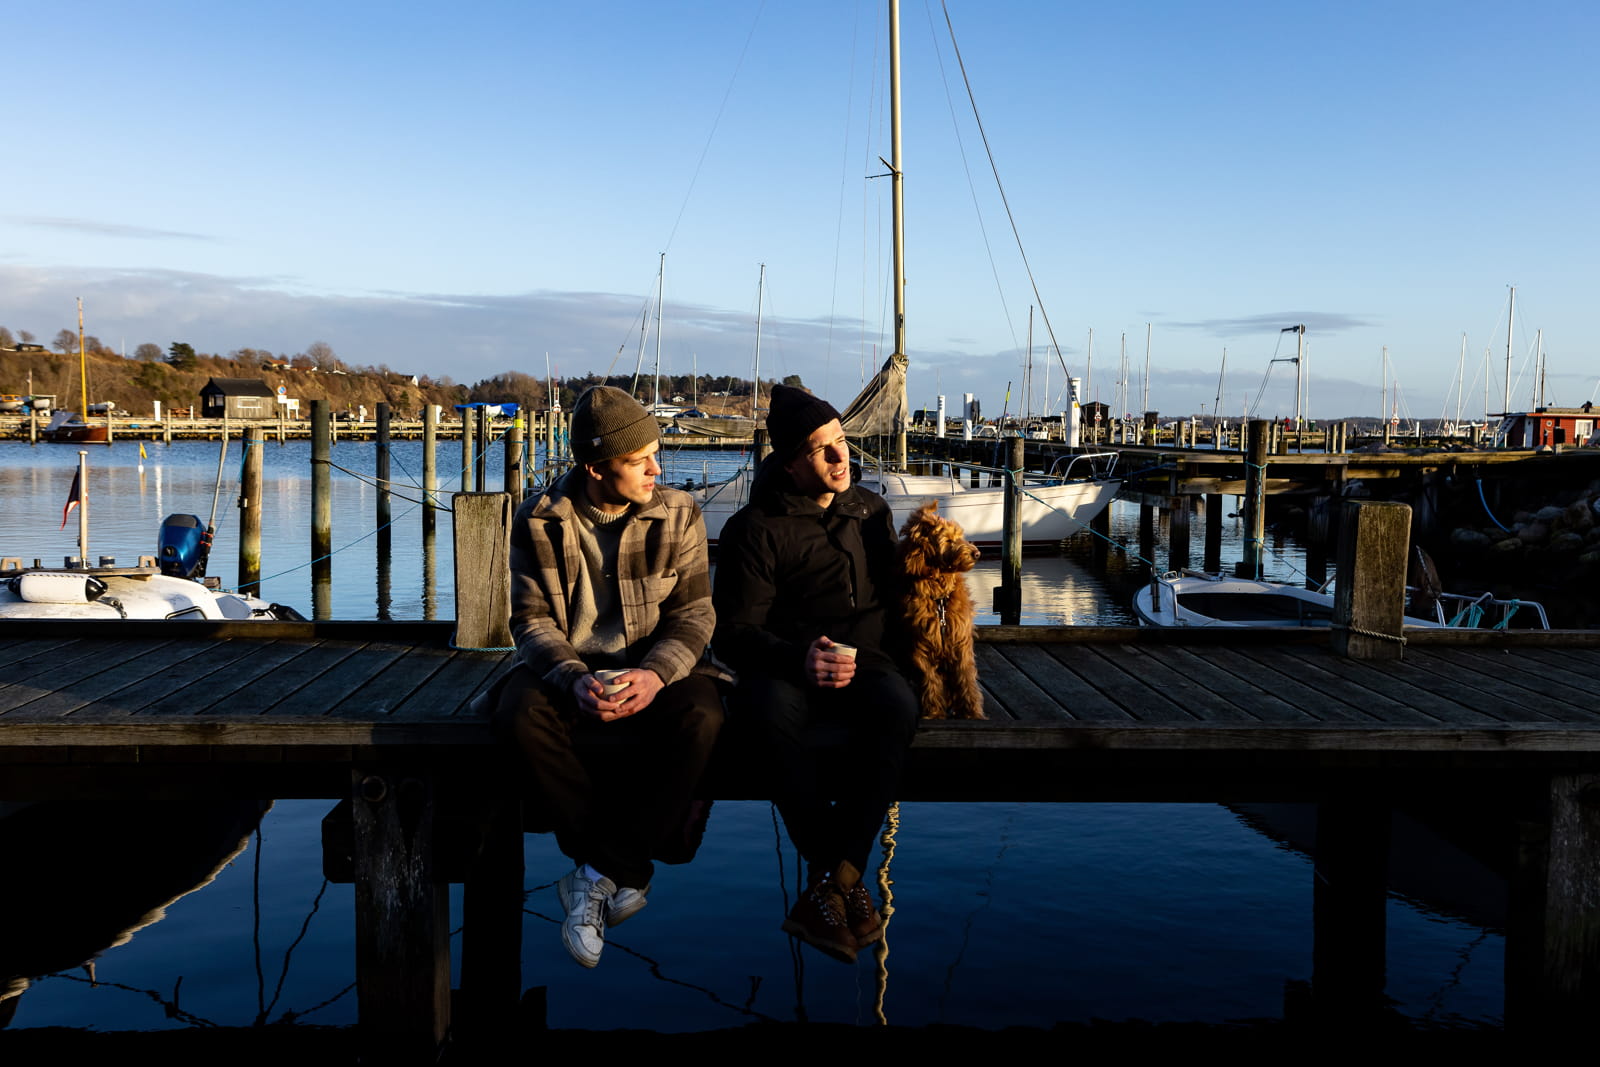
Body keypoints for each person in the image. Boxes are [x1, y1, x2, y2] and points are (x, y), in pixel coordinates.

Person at [494, 385, 725, 969]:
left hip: (657, 664)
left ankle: (595, 874)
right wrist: (572, 678)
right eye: (637, 459)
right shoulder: (541, 520)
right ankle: (617, 866)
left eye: (655, 452)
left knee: (705, 716)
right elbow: (530, 620)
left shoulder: (680, 512)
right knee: (517, 714)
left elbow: (697, 615)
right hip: (574, 666)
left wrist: (653, 675)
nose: (656, 468)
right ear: (596, 467)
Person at [712, 385, 919, 964]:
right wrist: (799, 656)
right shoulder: (753, 529)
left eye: (842, 442)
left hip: (865, 662)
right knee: (765, 715)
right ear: (789, 461)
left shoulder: (870, 512)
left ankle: (834, 884)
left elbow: (893, 605)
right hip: (784, 667)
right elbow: (731, 634)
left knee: (899, 709)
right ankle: (843, 876)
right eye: (822, 449)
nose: (840, 457)